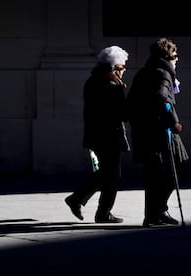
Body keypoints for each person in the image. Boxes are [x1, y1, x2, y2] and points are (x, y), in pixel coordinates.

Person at [126, 37, 189, 227]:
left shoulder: (144, 72)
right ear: (167, 56)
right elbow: (162, 98)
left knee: (154, 174)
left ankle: (154, 214)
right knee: (176, 167)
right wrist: (174, 122)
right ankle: (158, 210)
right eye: (175, 55)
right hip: (161, 132)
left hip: (145, 131)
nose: (177, 59)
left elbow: (131, 103)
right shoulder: (163, 73)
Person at [64, 45, 130, 223]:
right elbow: (122, 114)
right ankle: (98, 210)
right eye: (123, 67)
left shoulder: (93, 81)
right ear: (113, 68)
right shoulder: (111, 87)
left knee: (106, 173)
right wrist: (123, 94)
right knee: (111, 174)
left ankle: (81, 201)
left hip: (96, 135)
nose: (124, 71)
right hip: (109, 137)